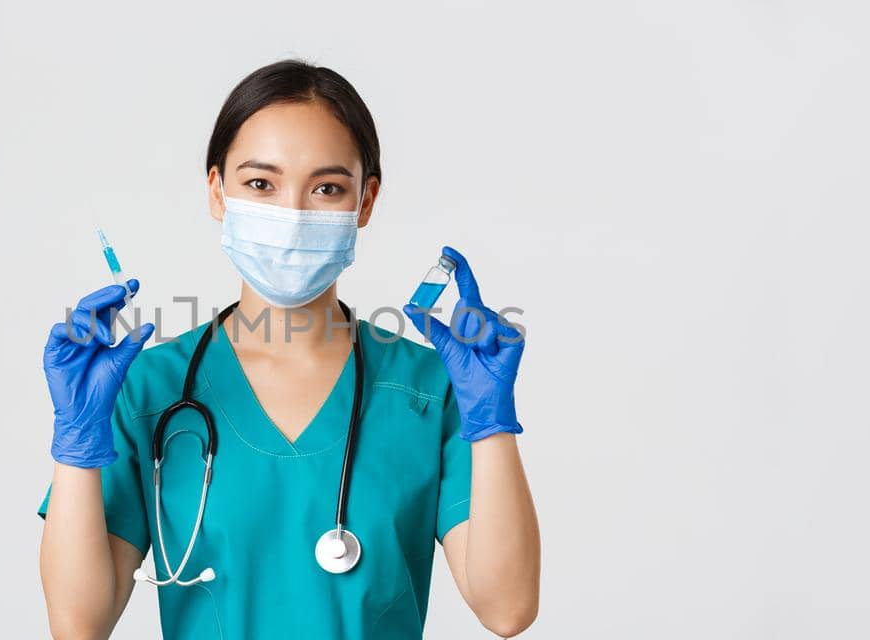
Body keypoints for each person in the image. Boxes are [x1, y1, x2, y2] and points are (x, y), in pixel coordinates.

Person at [38, 60, 540, 639]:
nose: (293, 214)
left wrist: (492, 422)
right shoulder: (148, 388)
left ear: (366, 201)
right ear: (217, 192)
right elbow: (78, 625)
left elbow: (508, 610)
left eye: (327, 188)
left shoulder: (431, 389)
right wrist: (75, 441)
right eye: (260, 184)